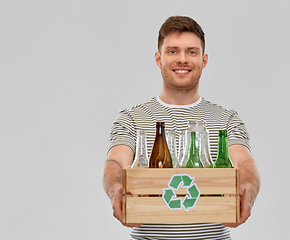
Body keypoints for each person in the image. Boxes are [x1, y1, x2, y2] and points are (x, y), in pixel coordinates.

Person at [103, 15, 261, 239]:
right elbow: (115, 161)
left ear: (204, 60)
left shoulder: (226, 119)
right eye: (173, 51)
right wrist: (115, 189)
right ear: (158, 59)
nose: (182, 59)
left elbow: (245, 162)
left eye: (192, 52)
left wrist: (248, 190)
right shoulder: (132, 118)